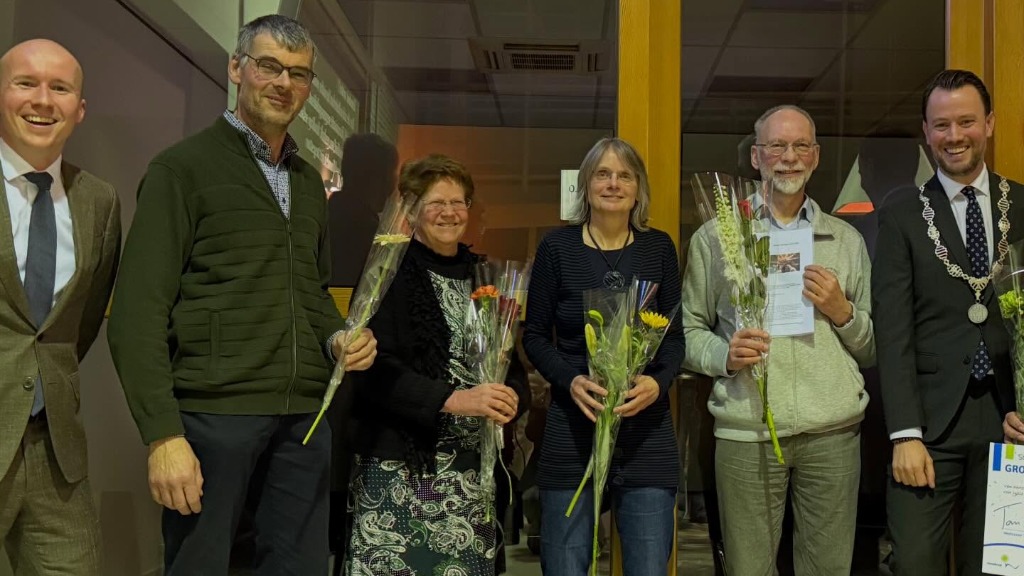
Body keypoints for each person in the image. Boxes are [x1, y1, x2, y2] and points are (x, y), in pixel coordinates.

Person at [106, 15, 376, 575]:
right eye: (269, 66)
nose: (284, 83)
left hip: (303, 420)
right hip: (214, 419)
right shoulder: (182, 170)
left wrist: (337, 337)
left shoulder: (307, 182)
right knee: (200, 566)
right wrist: (162, 435)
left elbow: (310, 292)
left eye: (298, 74)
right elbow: (136, 315)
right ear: (237, 69)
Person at [681, 104, 875, 576]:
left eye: (800, 146)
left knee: (827, 570)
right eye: (776, 146)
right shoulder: (716, 238)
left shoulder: (846, 240)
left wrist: (841, 312)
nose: (788, 157)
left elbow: (871, 346)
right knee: (748, 570)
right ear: (756, 157)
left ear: (815, 156)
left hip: (832, 435)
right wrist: (724, 356)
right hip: (747, 435)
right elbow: (686, 333)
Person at [343, 153, 528, 575]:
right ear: (411, 209)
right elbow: (374, 372)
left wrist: (509, 397)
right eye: (436, 203)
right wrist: (454, 400)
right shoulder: (386, 273)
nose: (449, 212)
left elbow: (509, 362)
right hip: (399, 468)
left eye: (459, 202)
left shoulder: (485, 275)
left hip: (471, 473)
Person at [874, 69, 1024, 576]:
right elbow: (893, 331)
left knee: (998, 568)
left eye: (966, 121)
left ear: (990, 124)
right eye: (941, 125)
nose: (954, 136)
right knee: (915, 563)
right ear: (926, 132)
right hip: (928, 425)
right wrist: (904, 434)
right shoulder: (902, 212)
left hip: (1009, 424)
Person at [522, 137, 685, 576]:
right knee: (565, 565)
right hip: (573, 429)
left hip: (645, 433)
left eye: (624, 175)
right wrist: (569, 380)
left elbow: (674, 340)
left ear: (638, 188)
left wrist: (657, 382)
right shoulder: (558, 249)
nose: (613, 184)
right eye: (602, 174)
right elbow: (534, 335)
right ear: (587, 185)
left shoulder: (659, 249)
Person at [0, 38, 121, 576]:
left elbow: (81, 324)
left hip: (56, 454)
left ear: (80, 109)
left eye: (60, 88)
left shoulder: (100, 201)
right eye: (26, 83)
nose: (43, 101)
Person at [327, 132, 399, 286]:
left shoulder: (326, 215)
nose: (395, 183)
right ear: (380, 178)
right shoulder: (364, 228)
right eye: (393, 172)